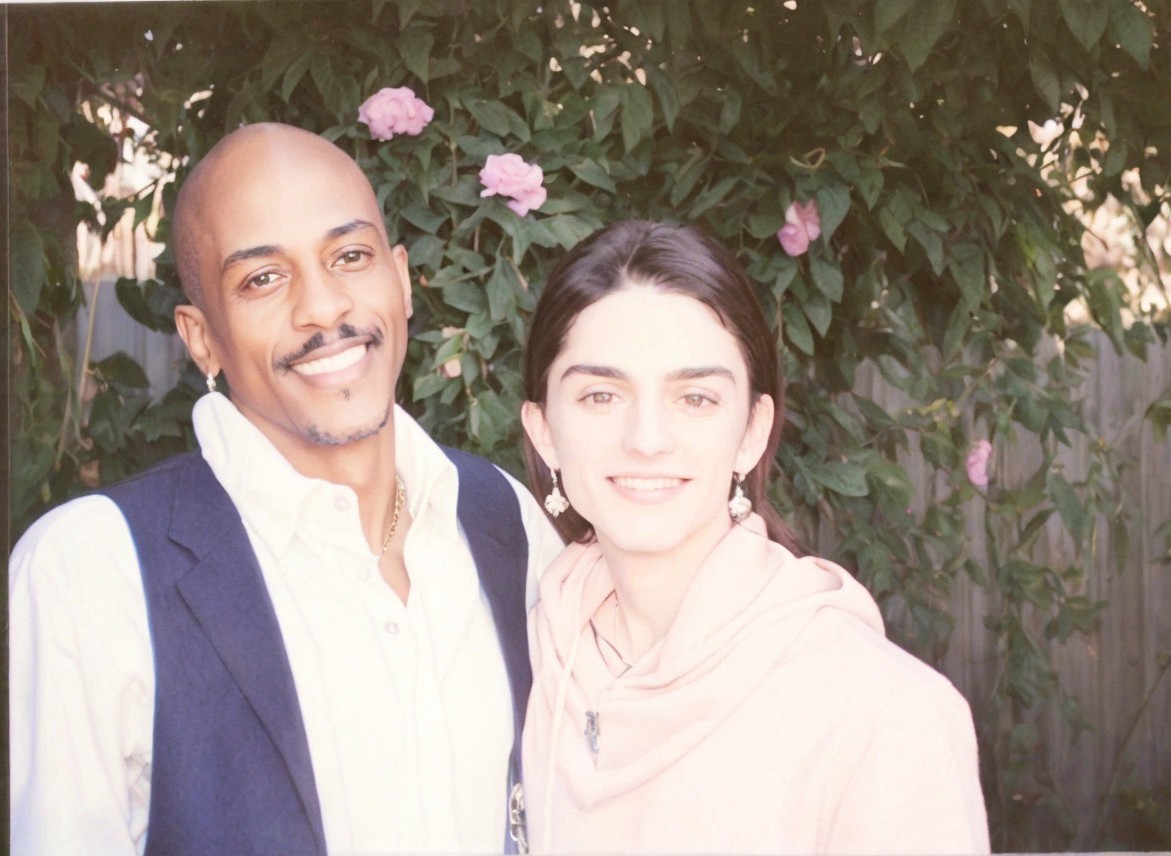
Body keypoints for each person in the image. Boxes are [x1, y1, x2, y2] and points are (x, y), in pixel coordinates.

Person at [9, 122, 561, 856]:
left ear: (400, 281)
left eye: (350, 256)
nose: (323, 308)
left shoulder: (504, 518)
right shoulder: (93, 569)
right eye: (262, 278)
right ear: (200, 337)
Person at [518, 220, 990, 854]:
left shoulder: (884, 714)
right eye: (602, 395)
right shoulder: (526, 658)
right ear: (545, 429)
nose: (647, 438)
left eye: (696, 398)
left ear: (751, 430)